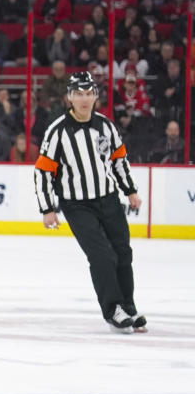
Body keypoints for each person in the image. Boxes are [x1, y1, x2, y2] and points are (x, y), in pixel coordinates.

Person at [34, 71, 146, 333]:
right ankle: (112, 311)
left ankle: (128, 307)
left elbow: (119, 161)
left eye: (88, 94)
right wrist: (47, 208)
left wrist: (130, 191)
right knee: (102, 256)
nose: (84, 99)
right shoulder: (57, 130)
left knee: (122, 253)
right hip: (77, 205)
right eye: (78, 94)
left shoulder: (105, 126)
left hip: (108, 199)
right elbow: (42, 172)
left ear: (96, 96)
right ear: (69, 97)